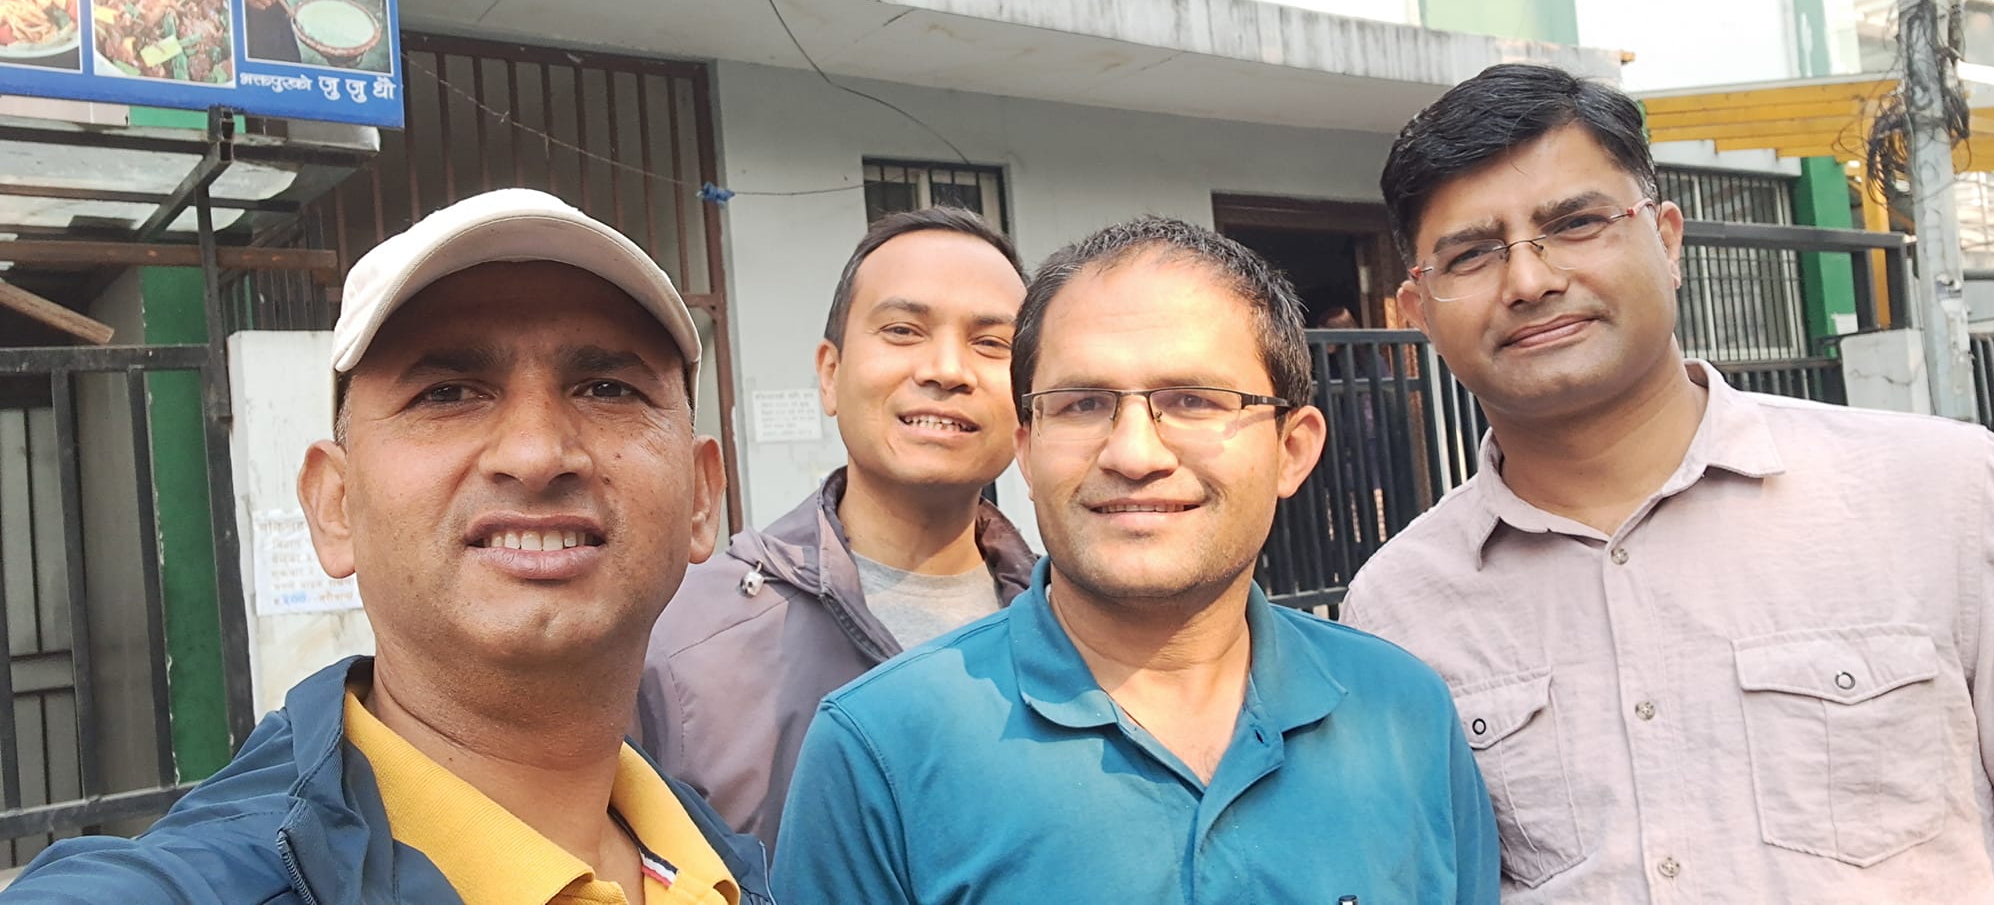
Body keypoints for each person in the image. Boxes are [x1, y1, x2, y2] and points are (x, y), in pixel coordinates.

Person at [1343, 62, 1994, 902]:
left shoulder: (1946, 495)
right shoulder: (1398, 612)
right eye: (1471, 255)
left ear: (1668, 240)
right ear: (1418, 312)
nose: (1530, 281)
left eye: (1575, 223)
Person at [1, 188, 775, 904]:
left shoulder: (727, 865)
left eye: (608, 389)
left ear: (701, 496)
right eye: (447, 392)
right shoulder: (198, 884)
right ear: (334, 506)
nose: (537, 452)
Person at [773, 216, 1500, 904]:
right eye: (1083, 404)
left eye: (1193, 400)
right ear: (1027, 450)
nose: (1133, 453)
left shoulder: (1403, 713)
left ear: (1293, 448)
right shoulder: (881, 749)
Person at [638, 206, 1035, 855]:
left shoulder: (1075, 628)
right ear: (830, 373)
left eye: (991, 343)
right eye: (903, 330)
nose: (947, 369)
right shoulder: (679, 638)